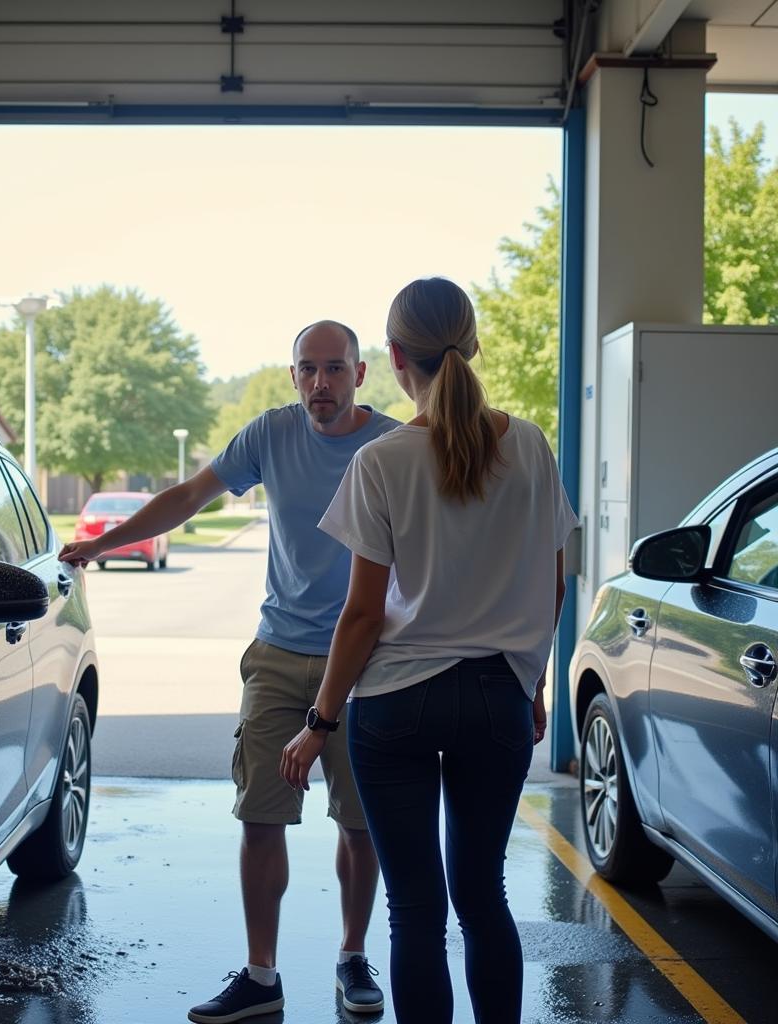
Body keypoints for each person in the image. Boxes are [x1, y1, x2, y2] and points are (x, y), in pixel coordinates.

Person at [58, 320, 400, 1022]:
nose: (320, 383)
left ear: (361, 375)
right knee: (259, 814)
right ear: (293, 374)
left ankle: (353, 956)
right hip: (278, 653)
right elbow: (188, 498)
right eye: (307, 368)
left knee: (360, 824)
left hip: (366, 660)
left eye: (335, 369)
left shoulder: (392, 445)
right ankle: (260, 973)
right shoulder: (269, 436)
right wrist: (103, 543)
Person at [280, 278, 577, 1024]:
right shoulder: (532, 447)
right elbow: (554, 587)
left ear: (393, 356)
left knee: (417, 909)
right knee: (484, 897)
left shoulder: (381, 462)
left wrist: (318, 723)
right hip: (495, 700)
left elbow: (360, 616)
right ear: (472, 345)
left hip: (397, 704)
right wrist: (530, 684)